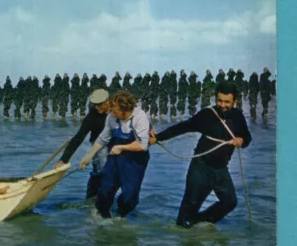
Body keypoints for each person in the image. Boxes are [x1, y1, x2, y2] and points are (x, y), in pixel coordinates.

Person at [149, 81, 252, 228]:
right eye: (219, 100)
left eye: (227, 102)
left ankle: (200, 223)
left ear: (235, 101)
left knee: (230, 202)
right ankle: (185, 233)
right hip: (200, 168)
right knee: (187, 212)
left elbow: (247, 138)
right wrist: (158, 137)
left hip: (221, 169)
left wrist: (241, 140)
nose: (222, 105)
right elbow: (183, 127)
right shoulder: (207, 114)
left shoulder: (238, 116)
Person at [78, 91, 151, 219]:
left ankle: (120, 215)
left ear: (125, 110)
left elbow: (143, 145)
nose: (112, 112)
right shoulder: (112, 117)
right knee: (105, 191)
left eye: (116, 110)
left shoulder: (140, 116)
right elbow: (103, 138)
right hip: (115, 159)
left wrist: (121, 147)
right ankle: (103, 216)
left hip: (135, 161)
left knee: (130, 197)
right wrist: (88, 156)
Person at [54, 89, 111, 199]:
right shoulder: (92, 116)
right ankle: (92, 196)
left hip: (116, 141)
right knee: (102, 168)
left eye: (99, 105)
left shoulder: (116, 110)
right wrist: (63, 160)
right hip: (98, 143)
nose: (96, 108)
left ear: (107, 102)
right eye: (94, 105)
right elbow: (78, 137)